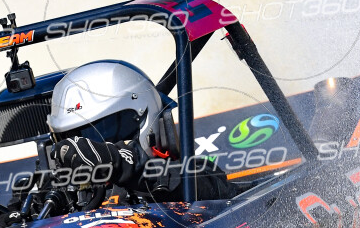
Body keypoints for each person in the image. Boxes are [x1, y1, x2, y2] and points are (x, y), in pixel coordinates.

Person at [46, 60, 232, 201]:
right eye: (73, 138)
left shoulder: (193, 174)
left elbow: (216, 189)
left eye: (105, 134)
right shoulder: (67, 197)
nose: (89, 152)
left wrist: (121, 161)